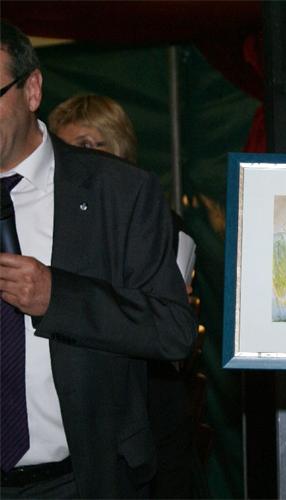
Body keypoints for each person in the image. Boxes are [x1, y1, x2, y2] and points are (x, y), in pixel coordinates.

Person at [0, 21, 195, 499]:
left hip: (81, 481)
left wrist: (58, 298)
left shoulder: (120, 192)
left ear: (32, 89)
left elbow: (172, 330)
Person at [47, 94, 203, 499]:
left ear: (119, 147)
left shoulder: (154, 219)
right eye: (63, 148)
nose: (74, 158)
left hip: (148, 400)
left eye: (86, 145)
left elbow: (167, 327)